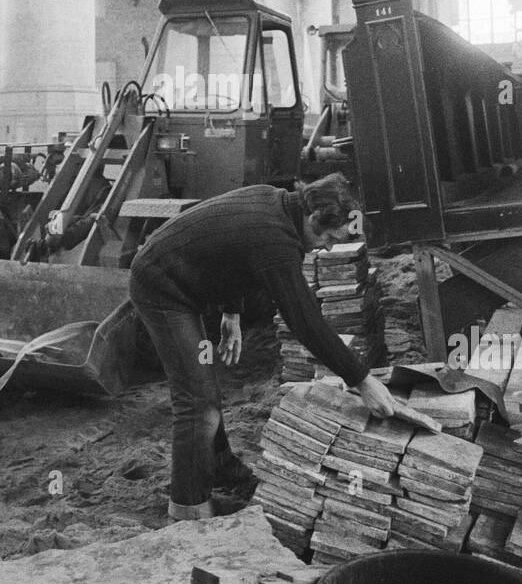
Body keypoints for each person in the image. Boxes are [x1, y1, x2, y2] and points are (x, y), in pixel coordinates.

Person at [128, 174, 396, 521]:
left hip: (184, 277)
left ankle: (220, 466)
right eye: (329, 238)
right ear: (314, 218)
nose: (327, 248)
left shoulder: (275, 201)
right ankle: (187, 509)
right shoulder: (276, 239)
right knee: (197, 401)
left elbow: (228, 254)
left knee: (204, 387)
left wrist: (231, 311)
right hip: (160, 286)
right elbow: (305, 321)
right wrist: (362, 379)